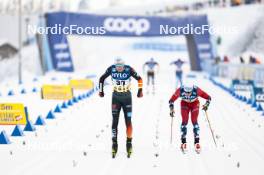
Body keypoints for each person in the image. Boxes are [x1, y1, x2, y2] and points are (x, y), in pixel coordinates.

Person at [99, 58, 143, 158]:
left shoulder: (129, 69)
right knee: (115, 121)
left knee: (128, 121)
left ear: (124, 66)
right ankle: (114, 144)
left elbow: (139, 79)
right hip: (116, 98)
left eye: (121, 67)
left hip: (127, 97)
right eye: (117, 67)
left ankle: (129, 143)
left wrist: (140, 91)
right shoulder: (111, 69)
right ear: (115, 66)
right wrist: (101, 91)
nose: (119, 68)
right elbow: (101, 78)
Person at [168, 84, 211, 153]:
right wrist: (171, 108)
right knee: (184, 121)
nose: (187, 94)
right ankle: (183, 142)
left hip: (195, 104)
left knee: (194, 121)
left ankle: (197, 142)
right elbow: (171, 100)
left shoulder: (197, 90)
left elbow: (208, 97)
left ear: (192, 89)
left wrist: (206, 105)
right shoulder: (180, 90)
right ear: (183, 89)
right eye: (186, 92)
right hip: (184, 104)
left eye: (189, 92)